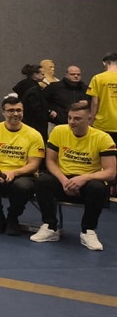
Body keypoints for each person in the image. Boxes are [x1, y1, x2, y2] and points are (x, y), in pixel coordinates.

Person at [30, 100, 117, 250]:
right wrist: (64, 180)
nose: (72, 122)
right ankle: (50, 227)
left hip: (87, 182)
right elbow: (50, 161)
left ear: (89, 119)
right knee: (43, 181)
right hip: (63, 179)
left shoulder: (103, 138)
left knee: (97, 188)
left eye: (77, 119)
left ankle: (88, 231)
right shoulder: (59, 131)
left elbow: (111, 172)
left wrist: (84, 178)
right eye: (70, 118)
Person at [0, 95, 46, 236]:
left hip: (23, 174)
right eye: (10, 111)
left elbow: (34, 164)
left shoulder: (34, 135)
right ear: (3, 112)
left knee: (21, 187)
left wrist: (14, 173)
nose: (15, 114)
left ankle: (12, 218)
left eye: (18, 110)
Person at [12, 64, 48, 141]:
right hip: (35, 123)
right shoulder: (35, 89)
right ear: (35, 74)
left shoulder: (23, 85)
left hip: (24, 120)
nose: (44, 76)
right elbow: (37, 108)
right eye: (42, 74)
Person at [87, 51, 117, 142]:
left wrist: (90, 122)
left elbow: (95, 103)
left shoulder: (97, 78)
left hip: (103, 125)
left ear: (105, 63)